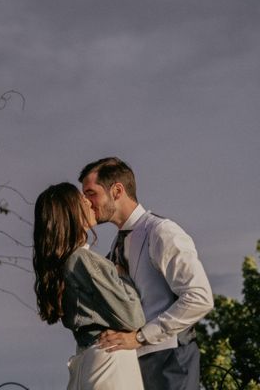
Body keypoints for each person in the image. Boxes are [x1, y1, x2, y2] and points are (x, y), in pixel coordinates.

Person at [79, 157, 214, 390]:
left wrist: (140, 337)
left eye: (91, 193)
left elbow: (199, 298)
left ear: (117, 190)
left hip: (170, 360)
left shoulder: (161, 232)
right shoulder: (116, 245)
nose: (87, 203)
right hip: (132, 363)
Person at [33, 182, 145, 390]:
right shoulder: (82, 260)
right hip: (110, 361)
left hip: (89, 359)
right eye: (81, 199)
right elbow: (133, 317)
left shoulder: (63, 263)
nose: (88, 201)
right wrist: (123, 277)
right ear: (70, 213)